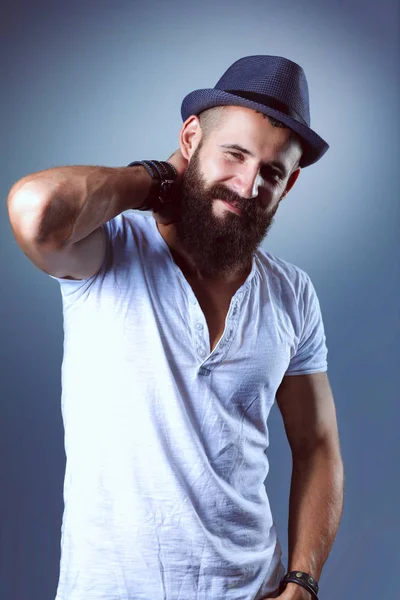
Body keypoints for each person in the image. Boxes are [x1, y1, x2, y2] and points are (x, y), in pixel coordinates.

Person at [7, 55, 344, 600]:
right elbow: (36, 207)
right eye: (234, 154)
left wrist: (302, 582)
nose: (247, 184)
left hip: (250, 588)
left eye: (273, 173)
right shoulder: (107, 250)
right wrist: (154, 180)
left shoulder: (291, 292)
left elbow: (318, 444)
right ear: (191, 139)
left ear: (290, 184)